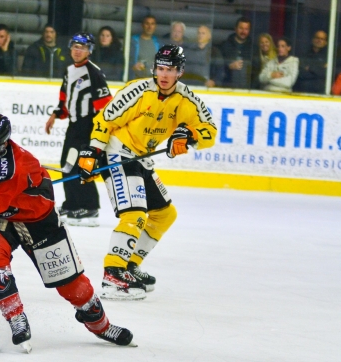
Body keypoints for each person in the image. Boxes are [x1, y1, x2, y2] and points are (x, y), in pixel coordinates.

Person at [0, 113, 136, 350]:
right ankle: (15, 316)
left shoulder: (14, 167)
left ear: (3, 146)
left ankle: (101, 326)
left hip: (37, 218)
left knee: (74, 286)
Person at [87, 45, 217, 300]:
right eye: (160, 68)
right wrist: (91, 153)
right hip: (118, 153)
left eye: (170, 70)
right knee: (135, 215)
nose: (164, 75)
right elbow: (105, 120)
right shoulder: (138, 90)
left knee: (165, 215)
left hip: (142, 160)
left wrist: (189, 135)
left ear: (180, 72)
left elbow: (210, 130)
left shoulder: (186, 99)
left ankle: (129, 266)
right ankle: (112, 274)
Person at [44, 33, 112, 226]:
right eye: (74, 47)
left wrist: (100, 133)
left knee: (83, 165)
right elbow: (65, 98)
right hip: (74, 126)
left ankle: (90, 207)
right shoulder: (69, 70)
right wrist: (55, 115)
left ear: (89, 50)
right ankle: (72, 204)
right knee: (66, 164)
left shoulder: (94, 73)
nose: (77, 50)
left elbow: (106, 105)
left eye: (82, 47)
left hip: (89, 126)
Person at [220, 17, 254, 89]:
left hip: (247, 90)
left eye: (246, 29)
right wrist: (229, 67)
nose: (243, 31)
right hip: (226, 87)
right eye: (241, 28)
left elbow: (256, 71)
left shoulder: (253, 48)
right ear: (235, 29)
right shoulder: (225, 45)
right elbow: (217, 66)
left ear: (249, 31)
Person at [130, 15, 159, 79]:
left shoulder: (158, 43)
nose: (150, 27)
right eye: (147, 24)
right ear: (142, 25)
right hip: (136, 80)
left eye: (152, 24)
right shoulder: (132, 41)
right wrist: (133, 66)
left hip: (153, 81)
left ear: (155, 26)